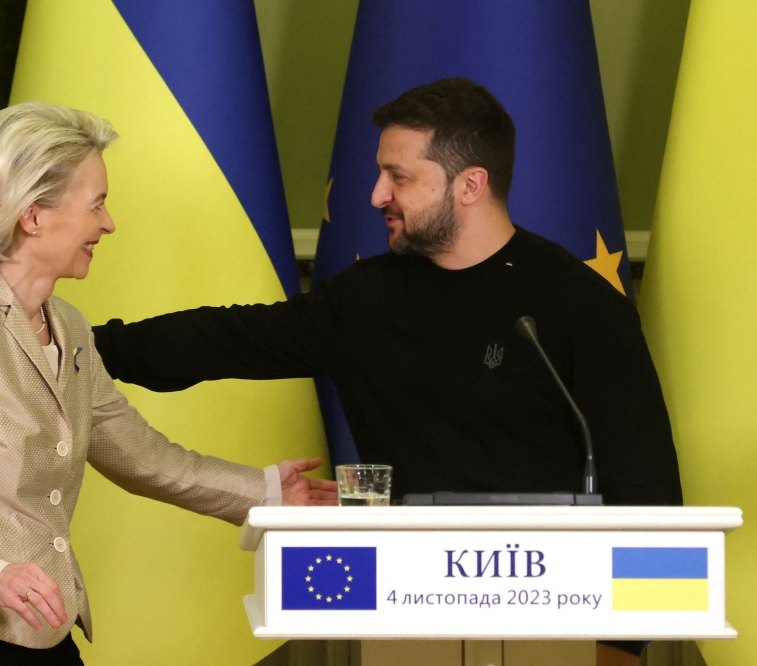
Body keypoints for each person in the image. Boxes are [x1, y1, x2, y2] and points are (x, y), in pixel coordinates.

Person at [90, 78, 681, 665]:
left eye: (398, 176)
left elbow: (646, 486)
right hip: (405, 617)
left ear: (471, 184)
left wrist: (620, 648)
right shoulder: (366, 302)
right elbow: (223, 340)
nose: (376, 195)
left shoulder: (578, 305)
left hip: (561, 629)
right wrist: (72, 345)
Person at [0, 102, 337, 666]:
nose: (108, 224)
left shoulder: (71, 329)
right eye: (97, 204)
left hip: (43, 627)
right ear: (33, 215)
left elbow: (144, 457)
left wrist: (265, 492)